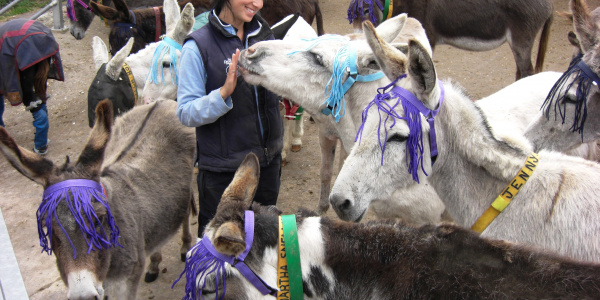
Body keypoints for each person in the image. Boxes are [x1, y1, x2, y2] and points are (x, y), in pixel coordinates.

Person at [176, 0, 283, 239]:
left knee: (262, 242)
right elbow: (185, 112)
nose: (257, 4)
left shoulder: (265, 36)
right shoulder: (198, 46)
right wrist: (223, 93)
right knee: (220, 249)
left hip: (266, 165)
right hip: (224, 173)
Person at [0, 19, 64, 155]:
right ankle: (41, 143)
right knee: (39, 91)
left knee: (30, 98)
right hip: (41, 36)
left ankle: (2, 130)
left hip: (21, 44)